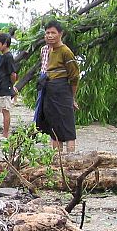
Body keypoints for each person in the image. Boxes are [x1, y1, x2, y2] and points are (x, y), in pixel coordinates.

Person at [35, 20, 80, 152]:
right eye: (47, 33)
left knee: (67, 126)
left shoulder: (66, 51)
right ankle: (56, 159)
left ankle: (71, 159)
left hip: (62, 90)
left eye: (53, 33)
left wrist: (72, 97)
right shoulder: (45, 50)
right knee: (53, 125)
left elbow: (74, 76)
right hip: (48, 90)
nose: (50, 35)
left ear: (60, 34)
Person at [0, 33, 18, 139]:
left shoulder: (9, 57)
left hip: (5, 88)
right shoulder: (2, 56)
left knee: (5, 110)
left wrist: (11, 85)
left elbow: (13, 74)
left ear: (5, 44)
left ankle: (5, 134)